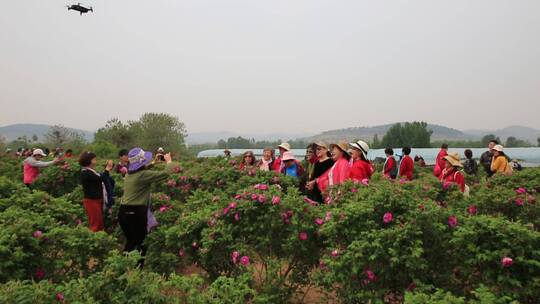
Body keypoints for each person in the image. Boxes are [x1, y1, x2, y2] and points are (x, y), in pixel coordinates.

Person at [118, 147, 174, 266]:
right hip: (136, 212)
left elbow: (141, 171)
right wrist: (169, 161)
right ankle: (137, 269)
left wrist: (153, 162)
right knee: (141, 242)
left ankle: (123, 266)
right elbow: (165, 174)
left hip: (123, 212)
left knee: (131, 241)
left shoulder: (129, 173)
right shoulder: (143, 175)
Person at [79, 152, 114, 232]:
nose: (96, 160)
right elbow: (100, 179)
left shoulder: (91, 171)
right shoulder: (85, 173)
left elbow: (102, 177)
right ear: (89, 161)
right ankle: (94, 241)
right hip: (92, 202)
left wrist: (107, 170)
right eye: (94, 159)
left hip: (97, 200)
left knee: (99, 223)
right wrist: (107, 169)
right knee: (96, 224)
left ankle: (99, 240)